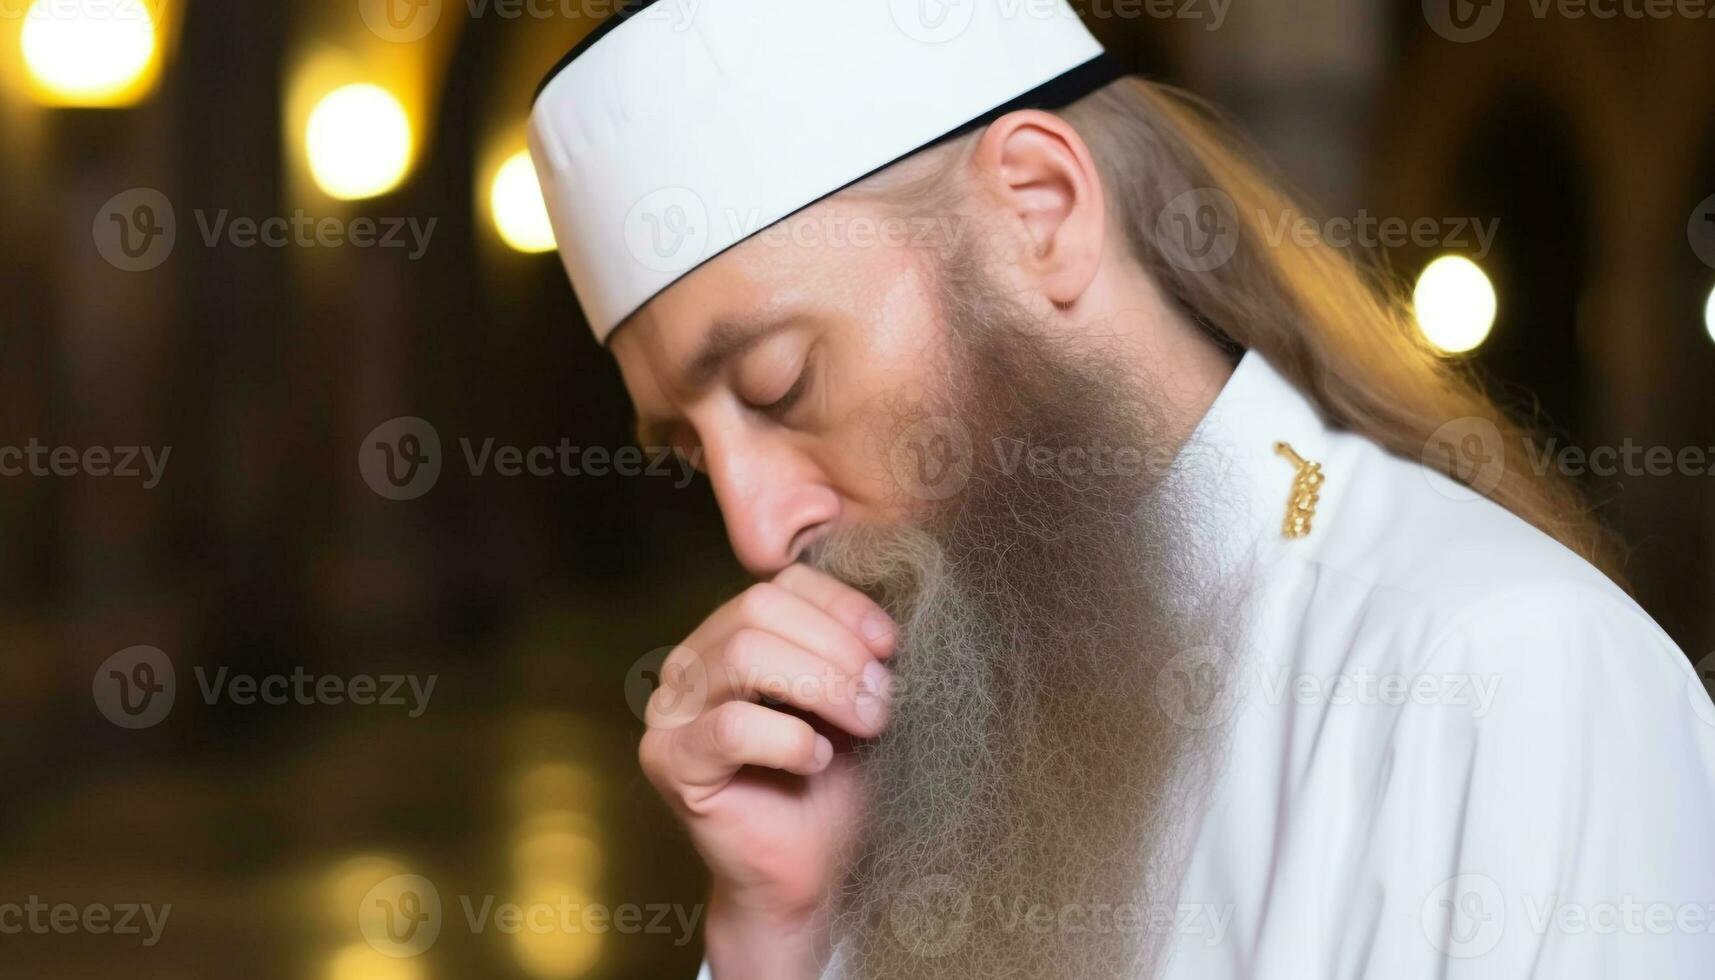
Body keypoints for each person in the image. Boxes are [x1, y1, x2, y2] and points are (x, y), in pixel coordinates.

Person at [527, 2, 1715, 977]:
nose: (752, 527)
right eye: (688, 449)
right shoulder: (908, 743)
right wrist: (770, 936)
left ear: (1037, 213)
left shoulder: (1505, 669)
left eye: (779, 382)